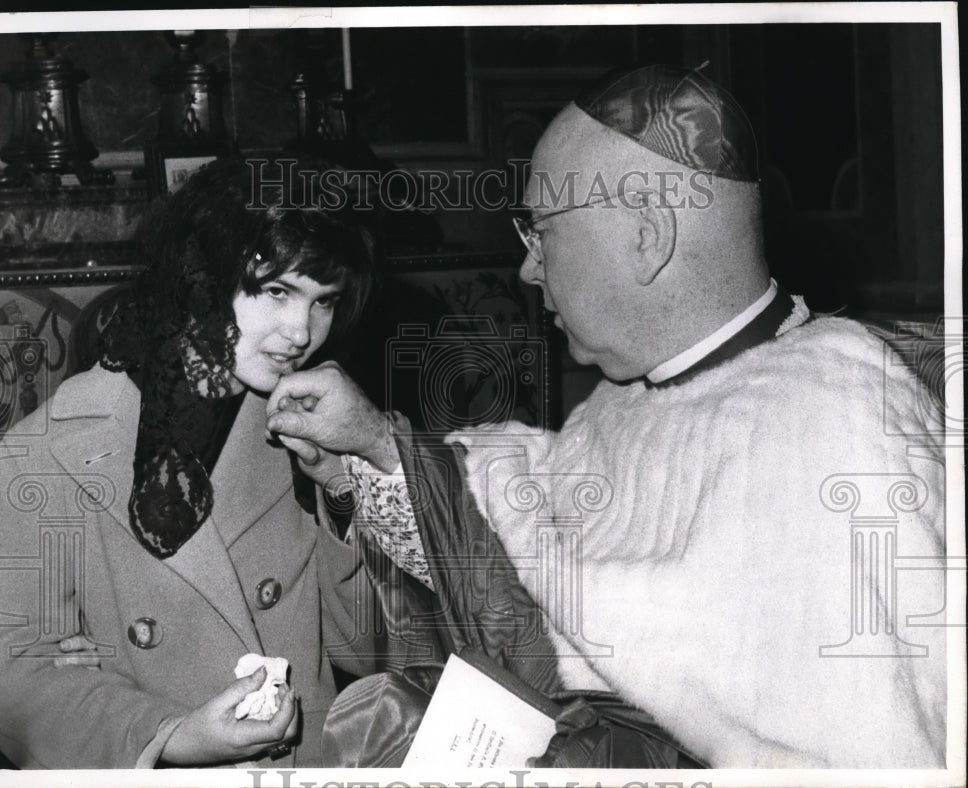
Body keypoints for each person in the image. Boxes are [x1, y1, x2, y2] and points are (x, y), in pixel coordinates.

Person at [265, 65, 948, 768]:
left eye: (542, 231)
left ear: (648, 237)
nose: (529, 270)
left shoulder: (829, 429)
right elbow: (532, 555)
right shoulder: (641, 390)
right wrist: (373, 452)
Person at [0, 158, 380, 768]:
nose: (302, 331)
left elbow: (372, 648)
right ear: (201, 273)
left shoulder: (311, 430)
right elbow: (13, 673)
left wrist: (341, 487)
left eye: (323, 301)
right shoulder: (45, 452)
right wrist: (169, 736)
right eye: (276, 291)